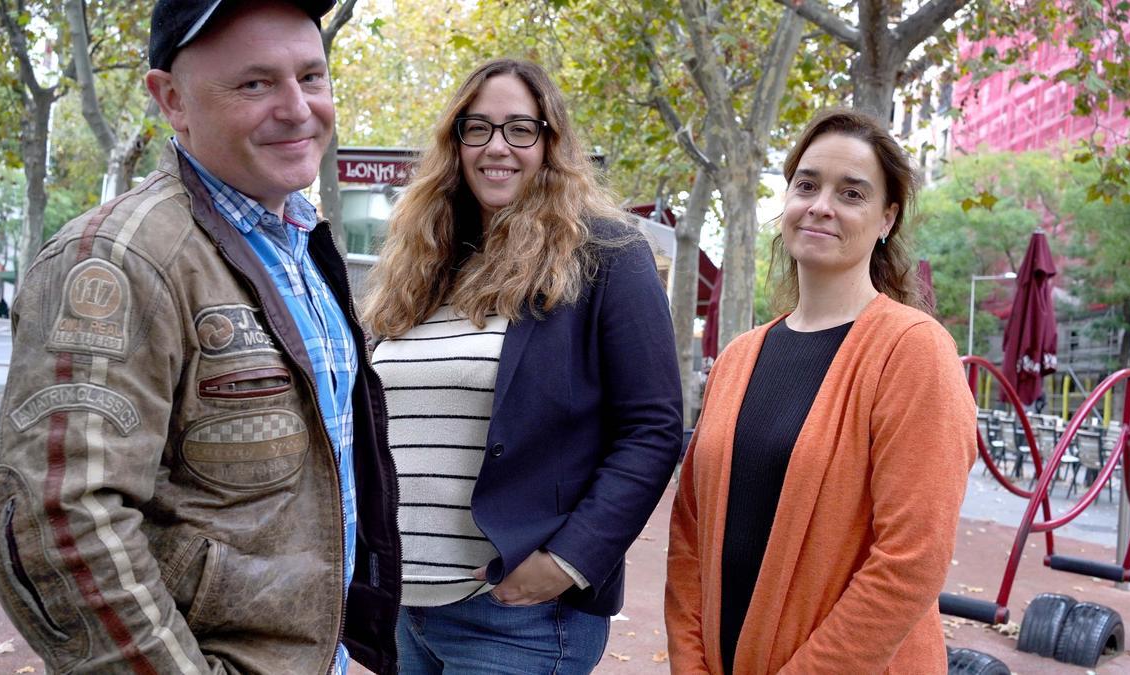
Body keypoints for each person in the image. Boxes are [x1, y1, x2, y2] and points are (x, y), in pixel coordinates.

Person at [0, 2, 402, 673]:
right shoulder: (117, 257)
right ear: (170, 99)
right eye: (255, 84)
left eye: (311, 76)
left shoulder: (301, 241)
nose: (298, 109)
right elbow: (55, 524)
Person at [360, 58, 683, 674]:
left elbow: (653, 428)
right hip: (404, 613)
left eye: (519, 129)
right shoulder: (420, 267)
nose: (496, 147)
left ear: (550, 142)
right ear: (454, 144)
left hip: (518, 620)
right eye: (476, 128)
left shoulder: (606, 255)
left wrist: (569, 560)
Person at [665, 108, 977, 674]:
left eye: (852, 193)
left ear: (887, 219)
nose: (821, 205)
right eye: (806, 185)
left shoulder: (912, 351)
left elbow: (911, 561)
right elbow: (690, 536)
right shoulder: (738, 358)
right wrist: (690, 664)